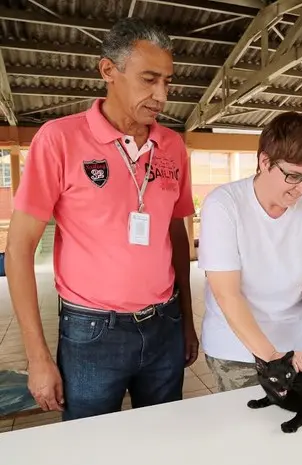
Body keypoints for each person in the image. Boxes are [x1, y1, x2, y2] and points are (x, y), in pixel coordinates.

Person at [5, 18, 198, 421]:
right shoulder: (59, 140)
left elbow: (176, 234)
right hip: (92, 333)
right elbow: (19, 249)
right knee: (88, 446)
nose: (161, 95)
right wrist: (38, 358)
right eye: (148, 79)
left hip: (164, 322)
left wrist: (187, 321)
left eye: (167, 81)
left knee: (162, 436)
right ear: (108, 70)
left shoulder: (173, 146)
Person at [198, 111, 302, 392]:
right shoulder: (224, 205)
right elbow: (227, 293)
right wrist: (272, 356)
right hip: (238, 349)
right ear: (264, 162)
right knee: (250, 428)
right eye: (293, 176)